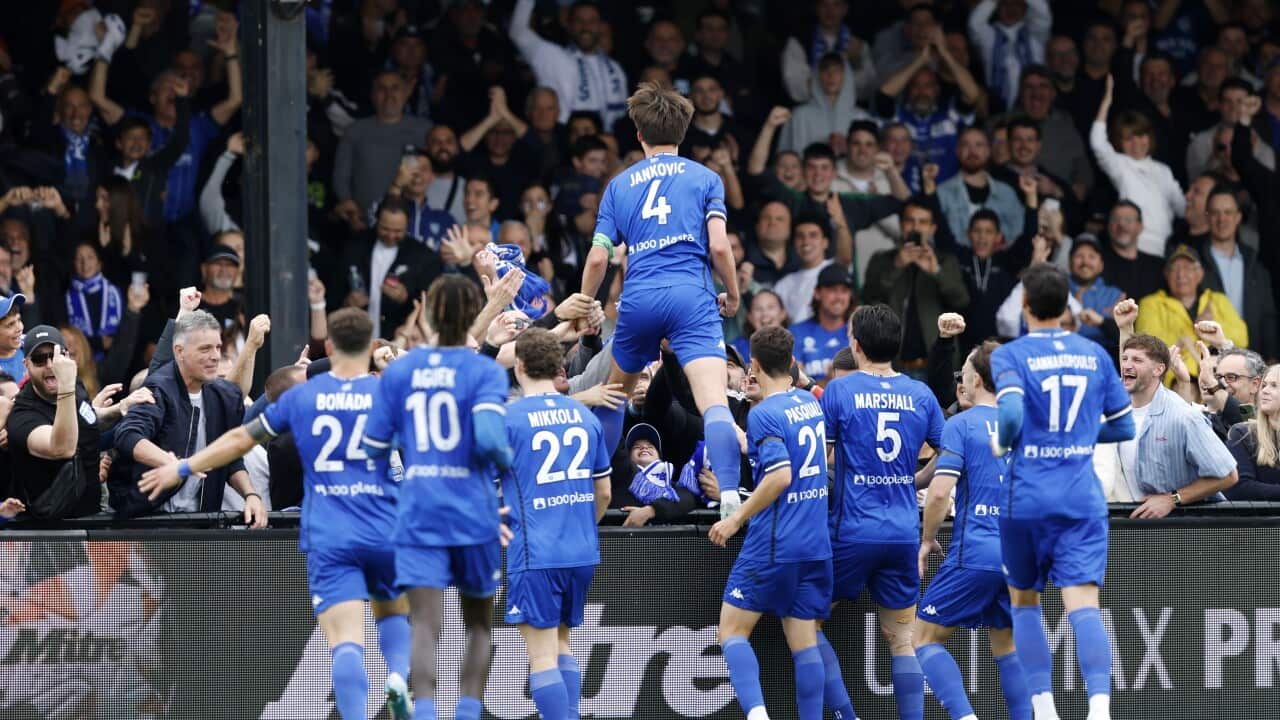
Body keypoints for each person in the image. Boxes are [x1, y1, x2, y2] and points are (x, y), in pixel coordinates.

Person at [139, 309, 413, 719]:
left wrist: (183, 467)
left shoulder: (303, 398)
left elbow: (238, 439)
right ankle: (398, 675)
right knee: (393, 618)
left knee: (345, 640)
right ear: (369, 347)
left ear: (330, 347)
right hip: (382, 526)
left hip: (331, 532)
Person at [581, 81, 742, 521]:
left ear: (639, 134)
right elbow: (720, 247)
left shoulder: (618, 186)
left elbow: (598, 257)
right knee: (714, 402)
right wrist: (733, 293)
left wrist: (584, 302)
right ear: (683, 132)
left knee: (614, 396)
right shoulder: (705, 178)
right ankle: (729, 492)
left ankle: (594, 489)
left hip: (639, 298)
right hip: (691, 295)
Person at [361, 276, 512, 720]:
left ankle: (424, 711)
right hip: (473, 511)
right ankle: (466, 712)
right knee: (478, 624)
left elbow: (373, 446)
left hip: (419, 508)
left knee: (425, 622)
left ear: (428, 316)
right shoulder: (484, 371)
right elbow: (490, 440)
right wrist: (507, 458)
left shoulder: (401, 371)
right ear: (472, 316)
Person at [990, 263, 1135, 720]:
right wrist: (1080, 435)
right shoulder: (1095, 355)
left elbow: (1011, 415)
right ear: (1067, 306)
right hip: (1080, 499)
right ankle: (1099, 709)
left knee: (1024, 602)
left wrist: (1004, 441)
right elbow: (1125, 426)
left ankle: (1045, 708)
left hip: (1026, 498)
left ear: (1025, 304)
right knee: (1084, 606)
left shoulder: (1010, 355)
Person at [819, 304, 946, 720]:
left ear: (855, 344)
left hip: (852, 532)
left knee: (803, 622)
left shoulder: (839, 391)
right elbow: (949, 454)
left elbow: (820, 459)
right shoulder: (921, 394)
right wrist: (916, 480)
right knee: (903, 640)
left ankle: (846, 715)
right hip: (903, 532)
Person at [709, 326, 832, 720]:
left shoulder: (764, 413)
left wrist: (735, 519)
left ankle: (757, 715)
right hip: (815, 540)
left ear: (755, 365)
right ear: (792, 362)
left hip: (776, 539)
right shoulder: (809, 403)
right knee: (804, 643)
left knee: (732, 631)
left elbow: (780, 476)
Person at [915, 341, 1031, 720]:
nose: (960, 377)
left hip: (977, 552)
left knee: (923, 638)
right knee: (1007, 645)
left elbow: (939, 494)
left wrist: (927, 539)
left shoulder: (961, 424)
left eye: (964, 370)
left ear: (977, 379)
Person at [502, 328, 611, 720]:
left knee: (542, 656)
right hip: (581, 550)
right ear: (559, 366)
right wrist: (579, 525)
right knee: (563, 644)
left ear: (519, 366)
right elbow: (604, 493)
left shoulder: (509, 419)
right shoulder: (585, 416)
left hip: (536, 551)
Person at [110, 310, 264, 522]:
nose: (215, 356)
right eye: (205, 349)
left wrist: (250, 494)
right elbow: (128, 435)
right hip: (148, 520)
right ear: (179, 351)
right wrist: (173, 464)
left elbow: (231, 459)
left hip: (202, 520)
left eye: (218, 347)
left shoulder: (222, 395)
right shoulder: (159, 388)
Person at [7, 326, 151, 519]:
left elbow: (86, 420)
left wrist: (119, 408)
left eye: (55, 356)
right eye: (39, 359)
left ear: (66, 356)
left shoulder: (74, 385)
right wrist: (66, 387)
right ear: (26, 365)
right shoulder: (22, 413)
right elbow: (62, 448)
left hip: (91, 514)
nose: (49, 365)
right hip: (49, 527)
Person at [1111, 333, 1238, 513]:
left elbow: (1228, 475)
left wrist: (1173, 499)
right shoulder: (1111, 410)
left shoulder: (1184, 417)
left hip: (1179, 525)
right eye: (1125, 359)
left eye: (1137, 360)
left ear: (1158, 370)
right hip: (1128, 522)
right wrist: (1124, 327)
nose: (1127, 365)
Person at [1091, 75, 1186, 256]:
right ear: (1119, 143)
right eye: (1129, 138)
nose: (1136, 143)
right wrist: (1106, 103)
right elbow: (1097, 143)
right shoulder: (1119, 165)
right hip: (1133, 247)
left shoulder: (1163, 171)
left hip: (1163, 248)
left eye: (1141, 135)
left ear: (1149, 137)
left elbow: (1182, 208)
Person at [509, 0, 628, 130]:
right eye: (579, 21)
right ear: (569, 25)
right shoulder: (554, 57)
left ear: (600, 25)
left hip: (609, 139)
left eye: (592, 21)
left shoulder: (615, 68)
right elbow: (518, 32)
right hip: (568, 138)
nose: (586, 27)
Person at [789, 265, 854, 383]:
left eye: (844, 291)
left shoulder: (856, 334)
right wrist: (829, 381)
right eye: (833, 290)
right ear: (817, 293)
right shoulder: (796, 333)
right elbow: (793, 386)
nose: (839, 297)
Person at [1225, 364, 1280, 500]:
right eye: (1264, 385)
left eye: (1274, 386)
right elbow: (1239, 488)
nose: (1265, 391)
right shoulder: (1242, 434)